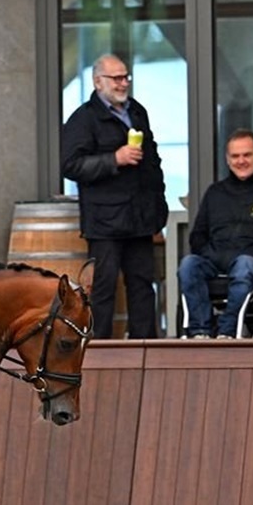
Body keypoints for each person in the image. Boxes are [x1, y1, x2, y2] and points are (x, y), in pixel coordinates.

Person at [62, 53, 168, 339]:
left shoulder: (137, 112)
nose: (123, 83)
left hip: (140, 218)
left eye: (126, 77)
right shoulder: (84, 119)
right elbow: (70, 165)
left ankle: (146, 348)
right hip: (105, 223)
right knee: (103, 290)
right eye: (116, 78)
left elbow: (152, 162)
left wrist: (158, 209)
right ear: (98, 82)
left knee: (143, 287)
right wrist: (114, 159)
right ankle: (101, 353)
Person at [179, 129, 253, 339]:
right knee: (188, 265)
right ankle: (200, 331)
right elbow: (197, 236)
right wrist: (215, 255)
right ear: (227, 159)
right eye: (235, 156)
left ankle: (228, 330)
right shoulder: (215, 192)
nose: (241, 161)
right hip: (216, 262)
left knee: (244, 264)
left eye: (247, 155)